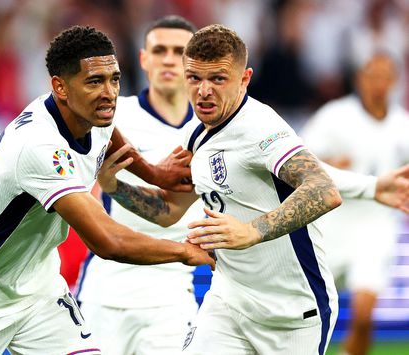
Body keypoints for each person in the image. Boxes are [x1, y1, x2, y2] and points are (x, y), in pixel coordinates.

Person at [96, 24, 409, 355]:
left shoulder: (261, 128)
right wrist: (113, 186)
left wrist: (251, 231)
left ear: (244, 79)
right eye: (194, 78)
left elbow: (322, 189)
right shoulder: (194, 135)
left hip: (293, 316)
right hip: (228, 302)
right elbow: (168, 210)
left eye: (218, 79)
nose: (203, 91)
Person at [0, 25, 214, 355]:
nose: (110, 92)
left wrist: (155, 173)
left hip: (37, 292)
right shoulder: (40, 146)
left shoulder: (90, 114)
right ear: (60, 87)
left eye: (114, 79)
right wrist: (184, 251)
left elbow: (109, 137)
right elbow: (107, 241)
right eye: (94, 81)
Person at [76, 15, 205, 355]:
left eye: (179, 51)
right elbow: (46, 164)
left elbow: (169, 212)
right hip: (104, 292)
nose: (167, 58)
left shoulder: (208, 132)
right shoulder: (112, 117)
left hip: (170, 297)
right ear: (143, 59)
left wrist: (113, 184)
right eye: (159, 50)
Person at [301, 52, 409, 355]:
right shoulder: (334, 117)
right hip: (331, 227)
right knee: (306, 315)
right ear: (360, 79)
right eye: (372, 76)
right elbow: (297, 161)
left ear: (394, 81)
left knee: (363, 315)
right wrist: (331, 164)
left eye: (385, 77)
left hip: (377, 230)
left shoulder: (403, 126)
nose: (378, 84)